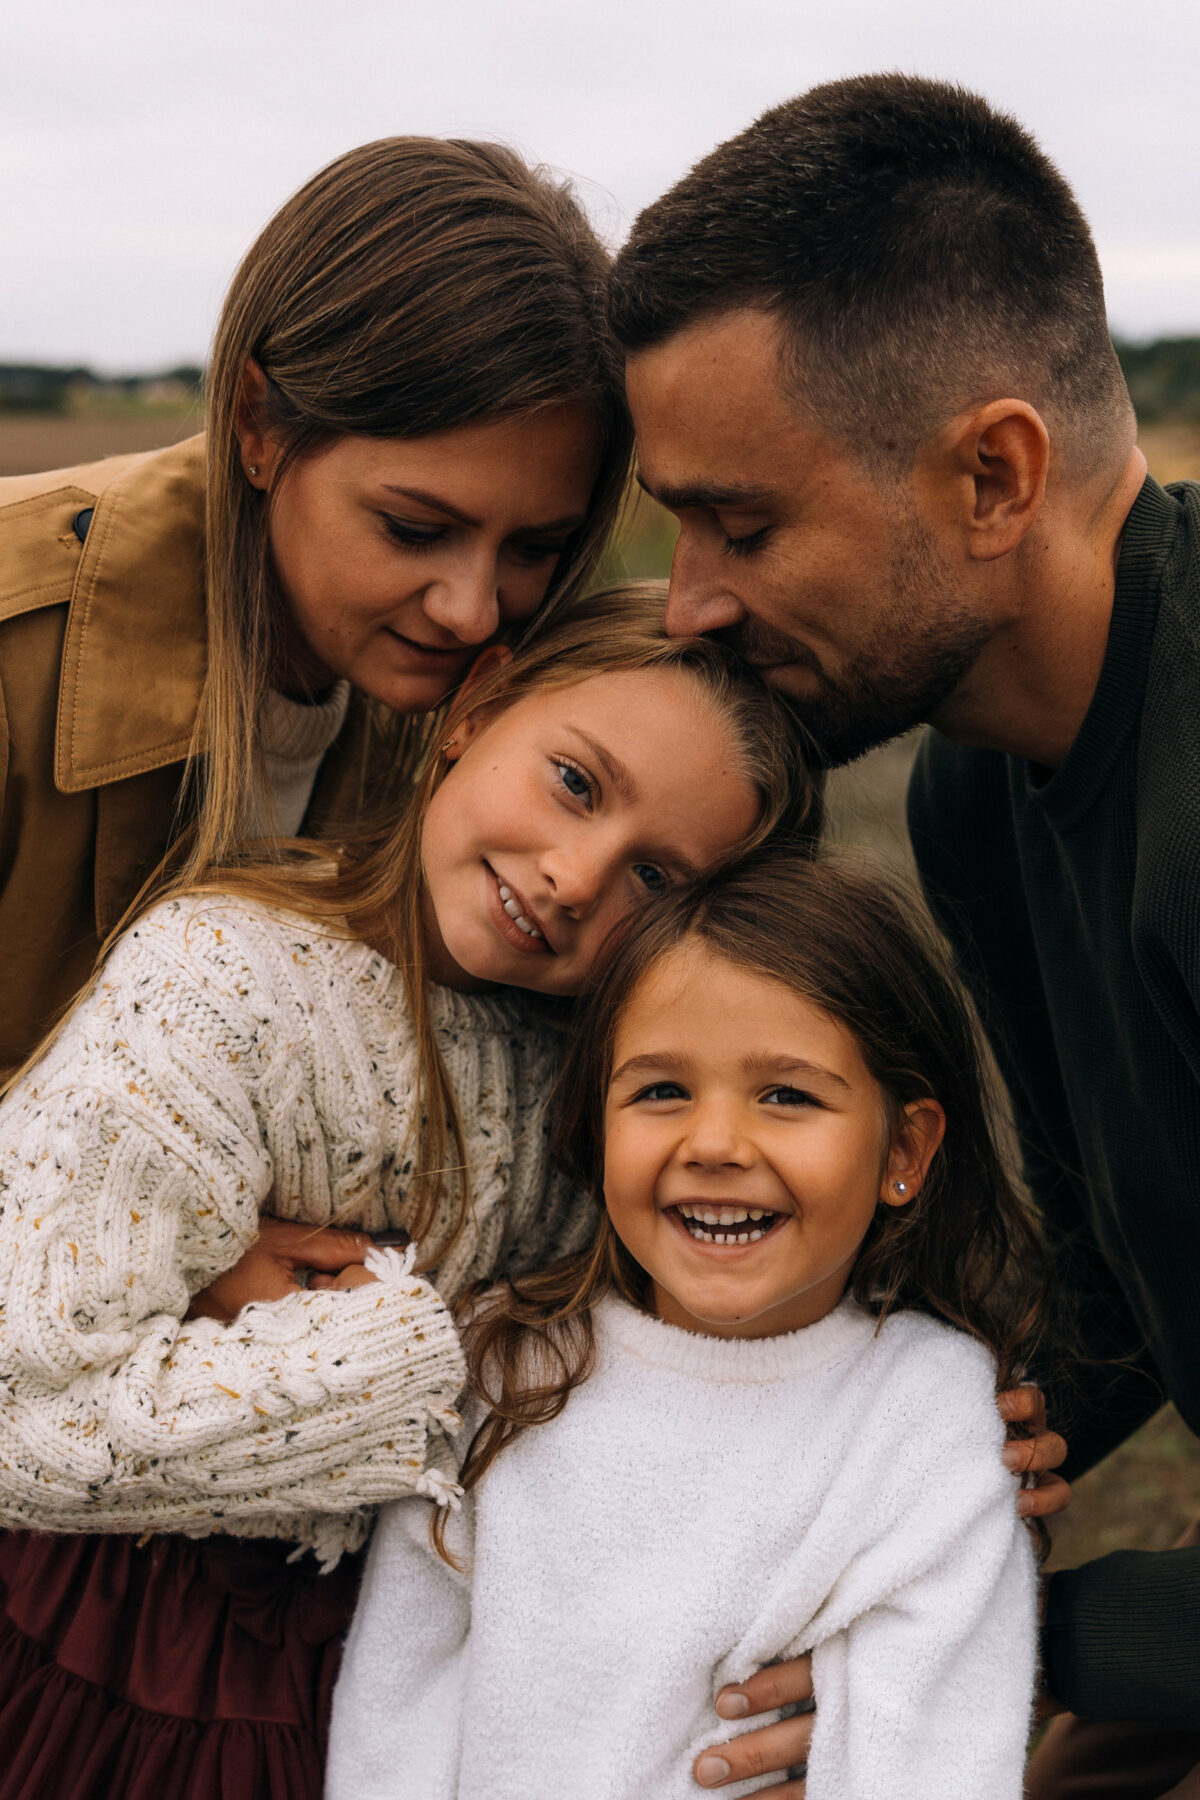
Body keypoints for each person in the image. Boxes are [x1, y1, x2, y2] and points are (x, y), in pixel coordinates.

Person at [608, 71, 1200, 1791]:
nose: (695, 600)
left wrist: (961, 1639)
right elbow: (1113, 1261)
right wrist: (920, 1455)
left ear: (995, 478)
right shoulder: (973, 795)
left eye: (743, 522)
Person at [0, 585, 816, 1800]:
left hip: (426, 1673)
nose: (579, 875)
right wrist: (440, 1362)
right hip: (127, 1661)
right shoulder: (218, 981)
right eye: (576, 784)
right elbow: (25, 1416)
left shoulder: (619, 1088)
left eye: (657, 875)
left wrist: (932, 1417)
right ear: (475, 708)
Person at [327, 851, 1042, 1800]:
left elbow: (940, 1750)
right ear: (596, 1124)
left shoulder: (928, 1416)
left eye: (787, 1095)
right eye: (661, 1090)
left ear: (903, 1150)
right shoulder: (505, 1371)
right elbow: (397, 1708)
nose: (713, 1145)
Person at [0, 134, 631, 1081]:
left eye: (535, 549)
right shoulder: (16, 650)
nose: (470, 614)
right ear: (256, 423)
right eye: (414, 530)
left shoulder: (487, 724)